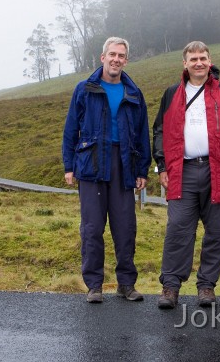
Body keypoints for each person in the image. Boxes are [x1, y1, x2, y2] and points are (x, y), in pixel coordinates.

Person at [152, 41, 220, 309]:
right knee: (178, 229)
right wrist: (162, 165)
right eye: (193, 58)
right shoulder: (172, 93)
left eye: (202, 58)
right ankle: (170, 286)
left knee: (217, 231)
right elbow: (159, 130)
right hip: (182, 169)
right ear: (184, 63)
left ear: (210, 60)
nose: (198, 63)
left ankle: (207, 286)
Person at [62, 36, 151, 304]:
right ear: (103, 57)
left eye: (121, 56)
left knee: (125, 227)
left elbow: (142, 134)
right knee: (92, 228)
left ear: (126, 60)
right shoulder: (85, 89)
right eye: (112, 54)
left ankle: (126, 284)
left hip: (123, 164)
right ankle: (94, 285)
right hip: (91, 165)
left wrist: (142, 170)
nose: (116, 59)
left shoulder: (133, 92)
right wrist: (69, 166)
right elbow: (70, 130)